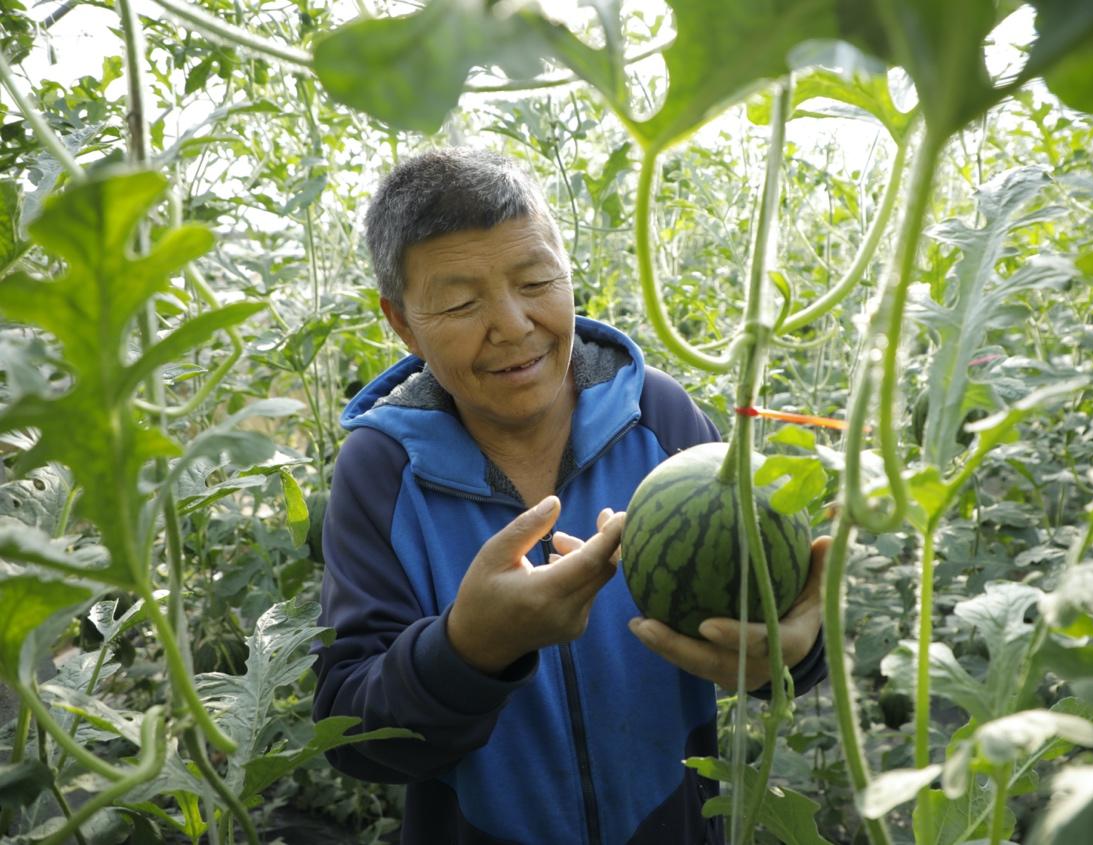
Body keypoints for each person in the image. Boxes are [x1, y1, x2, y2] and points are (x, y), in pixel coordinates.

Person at [312, 147, 829, 845]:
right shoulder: (377, 471)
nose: (513, 324)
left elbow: (770, 606)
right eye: (463, 302)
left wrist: (792, 652)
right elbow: (352, 732)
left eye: (535, 281)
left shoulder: (663, 417)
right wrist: (469, 648)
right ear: (402, 323)